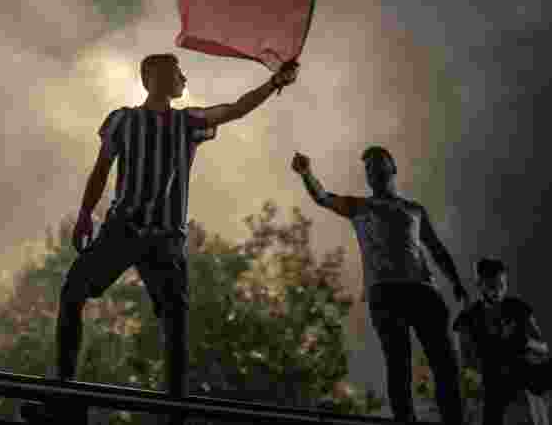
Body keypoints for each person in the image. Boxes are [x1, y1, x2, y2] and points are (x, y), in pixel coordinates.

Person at [39, 54, 298, 425]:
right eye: (178, 72)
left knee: (175, 320)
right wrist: (84, 214)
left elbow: (236, 109)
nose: (183, 77)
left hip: (165, 238)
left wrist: (274, 83)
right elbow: (101, 170)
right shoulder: (123, 120)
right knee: (75, 292)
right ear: (155, 77)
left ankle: (174, 412)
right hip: (124, 228)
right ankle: (64, 398)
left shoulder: (187, 121)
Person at [291, 146, 467, 424]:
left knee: (445, 363)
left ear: (393, 168)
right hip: (385, 292)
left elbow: (435, 248)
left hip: (423, 290)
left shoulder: (414, 209)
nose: (375, 169)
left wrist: (455, 281)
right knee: (398, 364)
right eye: (369, 167)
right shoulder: (359, 207)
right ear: (368, 178)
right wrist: (306, 173)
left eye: (380, 163)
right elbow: (323, 197)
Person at [453, 258, 552, 425]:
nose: (498, 292)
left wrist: (526, 343)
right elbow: (465, 361)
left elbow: (544, 347)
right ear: (479, 284)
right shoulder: (468, 318)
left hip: (526, 371)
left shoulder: (518, 307)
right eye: (492, 287)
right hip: (495, 380)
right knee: (493, 396)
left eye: (502, 286)